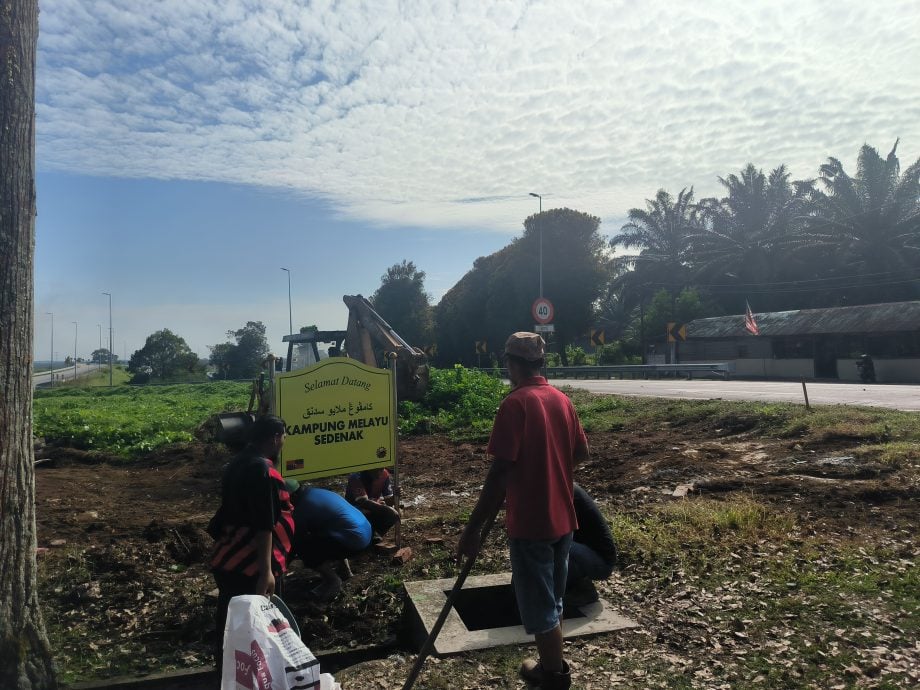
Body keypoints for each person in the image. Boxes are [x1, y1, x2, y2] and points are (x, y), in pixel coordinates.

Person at [457, 332, 588, 690]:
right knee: (554, 598)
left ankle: (553, 677)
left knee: (540, 606)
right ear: (540, 363)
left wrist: (471, 530)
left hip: (532, 523)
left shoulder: (515, 404)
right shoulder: (562, 400)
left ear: (511, 363)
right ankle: (553, 664)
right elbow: (579, 454)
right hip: (564, 519)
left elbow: (500, 472)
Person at [208, 415, 295, 669]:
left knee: (230, 622)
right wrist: (266, 572)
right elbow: (263, 524)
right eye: (285, 437)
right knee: (258, 628)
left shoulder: (237, 463)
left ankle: (227, 672)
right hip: (251, 564)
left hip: (228, 557)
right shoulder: (264, 471)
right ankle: (254, 675)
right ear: (276, 438)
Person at [290, 485, 372, 601]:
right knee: (327, 530)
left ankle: (332, 580)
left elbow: (296, 539)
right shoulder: (317, 492)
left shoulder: (302, 506)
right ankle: (345, 570)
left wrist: (282, 564)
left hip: (354, 540)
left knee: (303, 548)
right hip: (365, 530)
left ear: (293, 496)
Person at [565, 483, 617, 607]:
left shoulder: (564, 490)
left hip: (600, 562)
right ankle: (576, 585)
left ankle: (583, 590)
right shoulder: (563, 485)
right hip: (585, 552)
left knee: (552, 545)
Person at [345, 467, 400, 541]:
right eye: (376, 470)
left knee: (395, 512)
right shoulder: (356, 477)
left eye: (381, 469)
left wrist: (395, 496)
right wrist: (388, 510)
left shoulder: (384, 474)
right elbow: (363, 502)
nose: (379, 473)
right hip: (354, 510)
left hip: (373, 507)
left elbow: (389, 501)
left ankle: (375, 534)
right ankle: (367, 535)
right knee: (387, 511)